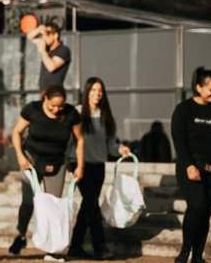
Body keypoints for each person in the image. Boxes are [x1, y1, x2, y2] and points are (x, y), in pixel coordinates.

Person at [8, 85, 84, 258]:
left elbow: (79, 140)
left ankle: (53, 246)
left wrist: (80, 166)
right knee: (28, 201)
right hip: (31, 159)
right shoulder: (32, 110)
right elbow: (16, 132)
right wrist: (20, 156)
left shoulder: (71, 114)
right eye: (53, 106)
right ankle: (20, 235)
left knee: (53, 204)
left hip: (57, 162)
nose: (57, 110)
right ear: (45, 99)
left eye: (60, 107)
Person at [67, 77, 131, 260]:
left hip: (98, 165)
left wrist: (120, 149)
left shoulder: (105, 116)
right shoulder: (77, 113)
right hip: (79, 164)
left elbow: (111, 144)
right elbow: (69, 141)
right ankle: (100, 247)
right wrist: (69, 164)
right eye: (94, 90)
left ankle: (75, 247)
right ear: (87, 92)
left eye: (100, 90)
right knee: (92, 205)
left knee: (88, 206)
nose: (97, 94)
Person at [171, 67, 211, 263]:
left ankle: (198, 256)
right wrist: (188, 165)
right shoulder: (184, 110)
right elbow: (179, 141)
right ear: (198, 87)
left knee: (206, 212)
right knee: (197, 206)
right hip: (190, 168)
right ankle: (184, 253)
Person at [27, 22, 71, 92]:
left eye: (47, 33)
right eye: (43, 35)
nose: (44, 37)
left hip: (55, 91)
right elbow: (30, 37)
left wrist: (43, 51)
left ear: (55, 35)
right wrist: (39, 29)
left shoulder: (63, 50)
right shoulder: (46, 49)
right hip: (43, 90)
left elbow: (51, 67)